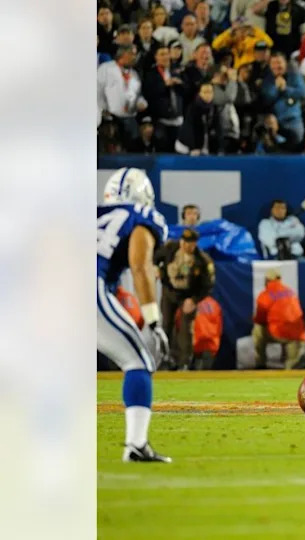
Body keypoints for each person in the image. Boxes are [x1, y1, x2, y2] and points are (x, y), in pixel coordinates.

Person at [97, 167, 172, 463]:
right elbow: (140, 266)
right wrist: (153, 319)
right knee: (138, 361)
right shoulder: (142, 215)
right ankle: (136, 444)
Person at [153, 227, 216, 370]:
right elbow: (155, 256)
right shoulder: (170, 248)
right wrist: (155, 267)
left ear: (195, 244)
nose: (186, 246)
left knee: (186, 329)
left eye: (190, 243)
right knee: (166, 325)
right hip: (170, 291)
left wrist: (194, 300)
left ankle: (184, 362)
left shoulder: (203, 261)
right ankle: (165, 360)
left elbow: (207, 285)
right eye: (184, 242)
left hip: (188, 295)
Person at [253, 269, 305, 369]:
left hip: (277, 332)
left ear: (267, 280)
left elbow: (260, 319)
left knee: (258, 329)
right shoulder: (291, 292)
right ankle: (293, 362)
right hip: (297, 333)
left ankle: (260, 364)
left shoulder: (265, 294)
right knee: (291, 367)